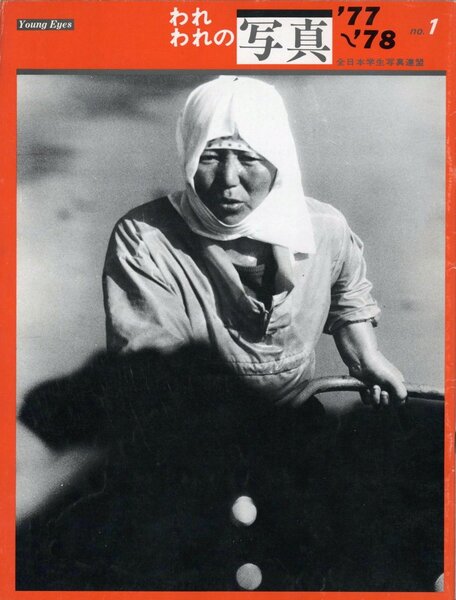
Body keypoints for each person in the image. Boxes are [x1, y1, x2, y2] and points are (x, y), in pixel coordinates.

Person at [103, 76, 407, 406]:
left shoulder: (324, 229)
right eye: (209, 156)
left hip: (294, 408)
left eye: (248, 157)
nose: (228, 179)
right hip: (195, 417)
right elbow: (151, 364)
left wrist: (365, 357)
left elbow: (346, 292)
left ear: (279, 160)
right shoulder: (146, 239)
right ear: (188, 154)